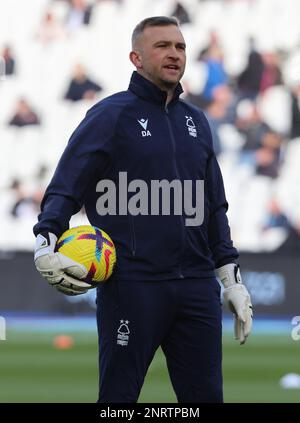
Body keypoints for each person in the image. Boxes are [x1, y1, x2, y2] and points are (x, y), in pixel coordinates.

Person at [33, 16, 253, 403]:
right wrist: (44, 243)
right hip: (133, 286)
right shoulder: (110, 115)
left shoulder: (197, 121)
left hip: (197, 289)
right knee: (118, 402)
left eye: (180, 47)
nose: (174, 54)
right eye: (162, 46)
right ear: (136, 58)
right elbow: (66, 186)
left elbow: (214, 207)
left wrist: (231, 279)